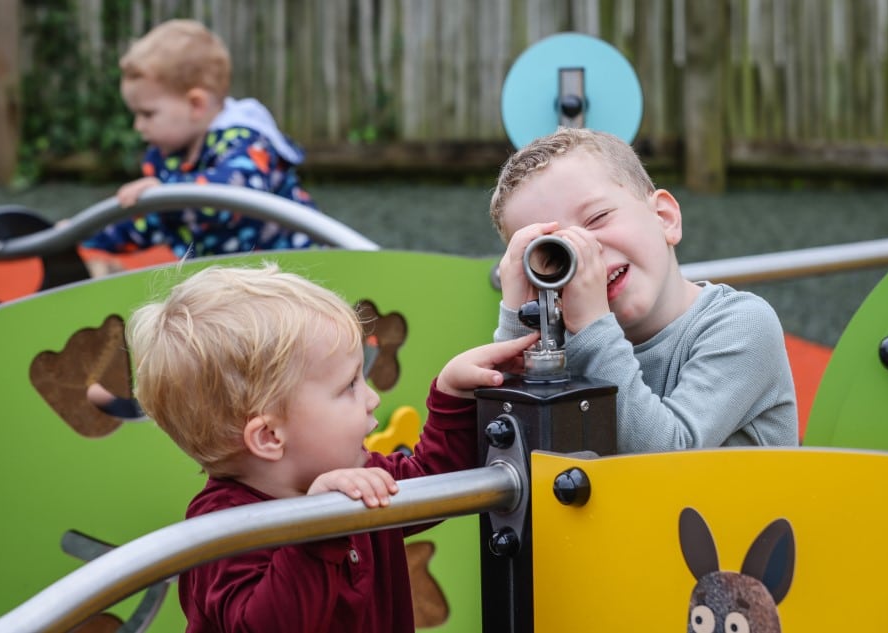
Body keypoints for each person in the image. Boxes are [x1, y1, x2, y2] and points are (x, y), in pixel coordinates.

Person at [126, 263, 536, 632]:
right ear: (269, 437)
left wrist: (452, 395)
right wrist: (318, 527)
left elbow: (433, 479)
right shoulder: (223, 530)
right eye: (349, 386)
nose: (372, 398)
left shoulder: (358, 480)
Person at [489, 127, 798, 452]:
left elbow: (663, 459)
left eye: (597, 218)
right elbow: (514, 456)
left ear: (665, 218)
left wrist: (593, 329)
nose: (585, 253)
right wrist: (517, 325)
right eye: (553, 252)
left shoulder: (741, 325)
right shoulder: (561, 347)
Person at [84, 19, 318, 259]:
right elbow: (148, 225)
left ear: (196, 104)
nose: (138, 125)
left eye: (147, 114)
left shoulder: (245, 142)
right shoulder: (169, 157)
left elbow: (228, 196)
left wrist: (165, 194)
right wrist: (84, 235)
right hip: (233, 281)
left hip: (295, 273)